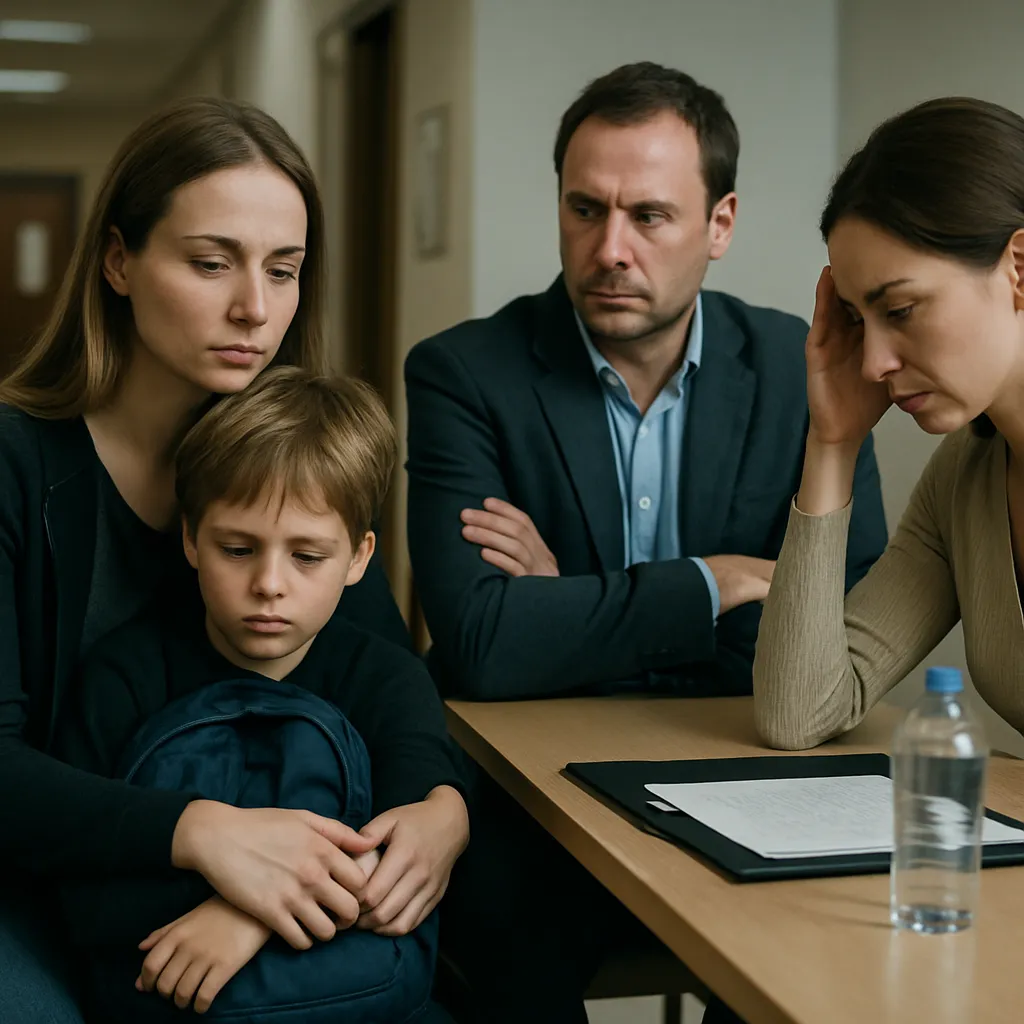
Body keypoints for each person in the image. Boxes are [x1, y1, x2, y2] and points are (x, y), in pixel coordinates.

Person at [404, 64, 887, 1023]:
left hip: (754, 777)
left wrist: (572, 600)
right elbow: (480, 643)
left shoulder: (801, 372)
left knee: (826, 955)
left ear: (721, 224)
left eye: (650, 217)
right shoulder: (465, 372)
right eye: (585, 210)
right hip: (528, 802)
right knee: (496, 936)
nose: (609, 248)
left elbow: (840, 619)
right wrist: (709, 585)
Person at [0, 97, 417, 1024]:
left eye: (284, 270)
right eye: (210, 262)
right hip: (37, 881)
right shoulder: (14, 467)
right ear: (118, 261)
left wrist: (442, 808)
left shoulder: (292, 468)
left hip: (250, 888)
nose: (255, 309)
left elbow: (385, 688)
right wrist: (203, 835)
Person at [58, 366, 467, 1023]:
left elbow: (403, 861)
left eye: (307, 557)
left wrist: (248, 915)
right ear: (192, 538)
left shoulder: (389, 679)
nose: (269, 584)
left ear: (359, 559)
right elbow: (84, 880)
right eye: (238, 549)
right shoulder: (124, 675)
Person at [753, 97, 1024, 750]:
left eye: (899, 309)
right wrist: (833, 443)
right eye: (856, 319)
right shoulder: (965, 478)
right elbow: (801, 711)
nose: (874, 363)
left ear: (1019, 268)